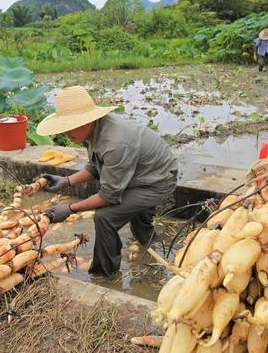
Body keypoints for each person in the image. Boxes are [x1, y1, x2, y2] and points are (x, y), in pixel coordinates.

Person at [36, 86, 178, 276]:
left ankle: (105, 274)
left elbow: (109, 196)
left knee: (106, 217)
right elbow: (97, 166)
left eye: (68, 129)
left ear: (85, 122)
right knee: (136, 216)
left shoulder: (115, 142)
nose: (66, 135)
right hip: (142, 172)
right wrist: (66, 181)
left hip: (157, 181)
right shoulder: (94, 130)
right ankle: (148, 241)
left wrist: (69, 209)